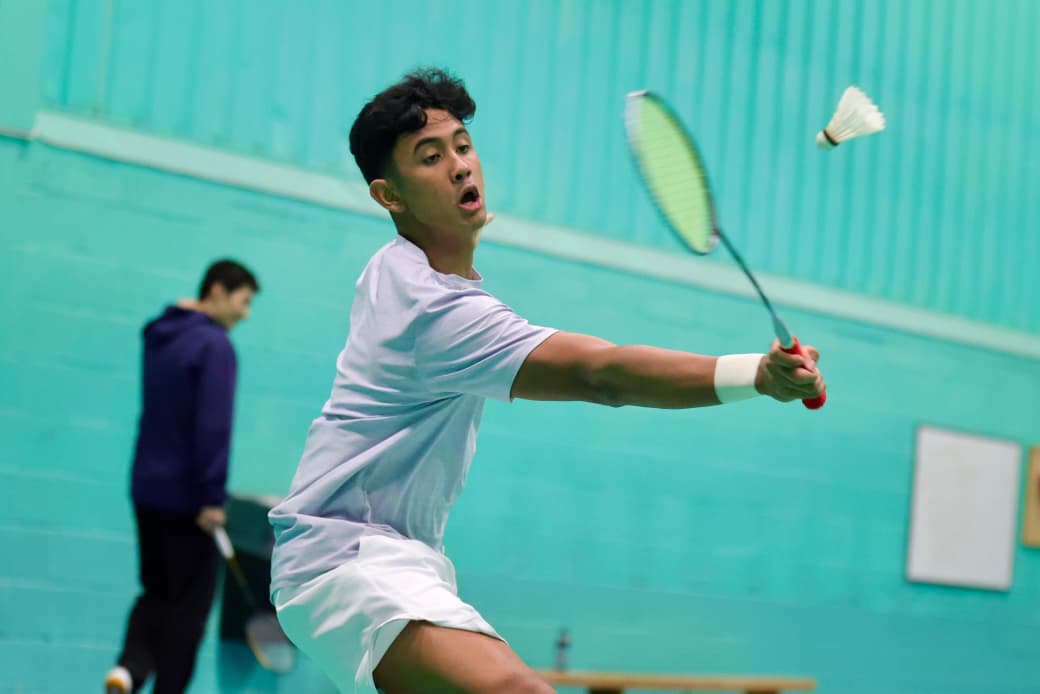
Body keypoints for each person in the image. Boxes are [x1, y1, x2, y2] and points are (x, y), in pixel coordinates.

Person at [268, 68, 825, 694]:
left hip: (383, 558)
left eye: (462, 145)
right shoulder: (432, 310)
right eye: (430, 157)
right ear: (388, 196)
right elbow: (604, 373)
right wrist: (757, 374)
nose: (459, 166)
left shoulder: (398, 271)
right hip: (345, 555)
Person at [104, 260, 260, 694]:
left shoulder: (160, 337)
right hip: (189, 499)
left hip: (146, 489)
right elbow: (212, 427)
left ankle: (128, 668)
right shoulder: (215, 347)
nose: (245, 314)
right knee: (188, 611)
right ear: (217, 291)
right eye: (243, 302)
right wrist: (212, 497)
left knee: (154, 592)